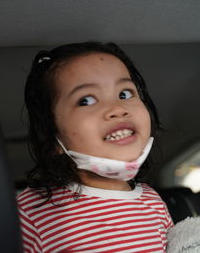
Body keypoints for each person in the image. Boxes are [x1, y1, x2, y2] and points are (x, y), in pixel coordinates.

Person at [16, 42, 173, 252]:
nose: (117, 108)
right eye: (86, 100)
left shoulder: (153, 202)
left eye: (125, 93)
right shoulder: (30, 211)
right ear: (53, 138)